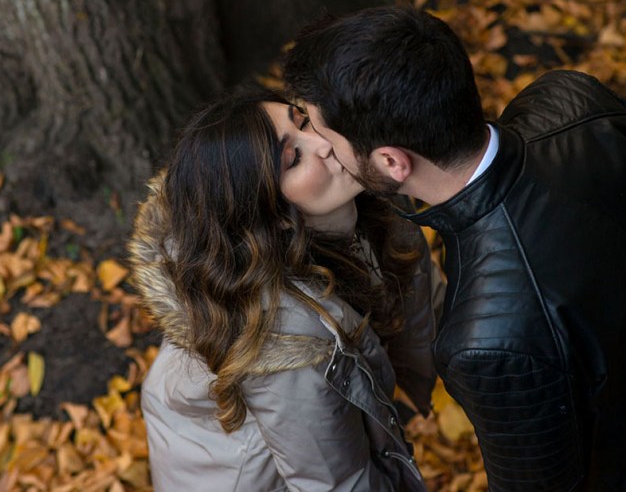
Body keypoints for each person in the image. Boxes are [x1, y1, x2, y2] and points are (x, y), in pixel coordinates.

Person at [282, 5, 626, 491]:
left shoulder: (485, 339)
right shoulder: (574, 97)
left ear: (392, 161)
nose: (319, 145)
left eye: (324, 132)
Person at [128, 88, 445, 491]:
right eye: (294, 159)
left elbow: (432, 311)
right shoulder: (286, 339)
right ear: (269, 215)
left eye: (304, 120)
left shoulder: (360, 204)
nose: (324, 143)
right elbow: (341, 482)